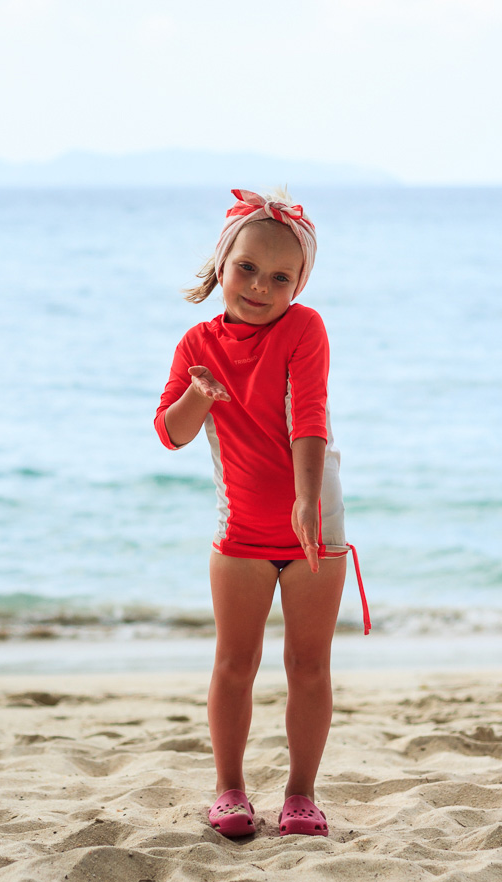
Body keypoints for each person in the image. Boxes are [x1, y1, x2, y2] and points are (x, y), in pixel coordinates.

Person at [154, 189, 368, 839]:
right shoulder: (198, 341)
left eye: (281, 277)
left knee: (309, 664)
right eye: (246, 267)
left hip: (315, 527)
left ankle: (301, 794)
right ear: (222, 263)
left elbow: (308, 416)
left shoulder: (304, 329)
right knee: (234, 662)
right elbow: (171, 432)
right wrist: (199, 392)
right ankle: (231, 788)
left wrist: (306, 498)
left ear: (299, 285)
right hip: (240, 530)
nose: (259, 286)